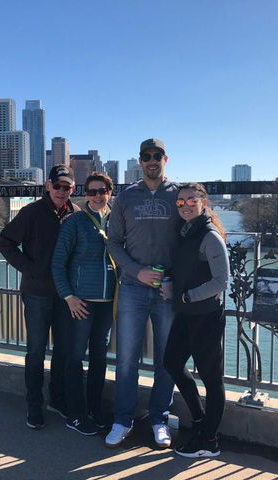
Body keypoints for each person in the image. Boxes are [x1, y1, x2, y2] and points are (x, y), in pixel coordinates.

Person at [105, 138, 181, 448]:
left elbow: (192, 237)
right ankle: (123, 419)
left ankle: (159, 419)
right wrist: (137, 271)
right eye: (146, 156)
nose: (152, 160)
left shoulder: (179, 195)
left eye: (157, 155)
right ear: (140, 161)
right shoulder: (125, 197)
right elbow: (113, 242)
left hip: (167, 289)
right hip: (133, 287)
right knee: (126, 359)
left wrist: (176, 279)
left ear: (166, 159)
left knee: (167, 359)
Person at [0, 164, 79, 429]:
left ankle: (58, 399)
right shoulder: (31, 212)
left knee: (64, 351)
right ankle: (34, 404)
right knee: (36, 351)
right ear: (48, 186)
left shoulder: (77, 214)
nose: (62, 191)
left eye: (67, 187)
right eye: (57, 186)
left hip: (67, 296)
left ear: (73, 189)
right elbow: (5, 242)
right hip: (37, 294)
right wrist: (30, 269)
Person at [162, 182, 230, 458]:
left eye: (192, 200)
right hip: (186, 313)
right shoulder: (185, 231)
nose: (186, 205)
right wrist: (171, 285)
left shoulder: (210, 236)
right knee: (172, 362)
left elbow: (221, 281)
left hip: (206, 316)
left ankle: (209, 441)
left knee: (212, 378)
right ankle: (200, 419)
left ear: (203, 202)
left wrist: (189, 296)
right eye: (180, 201)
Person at [51, 172, 116, 436]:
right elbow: (57, 263)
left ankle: (95, 409)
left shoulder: (118, 221)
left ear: (110, 192)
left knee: (100, 358)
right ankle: (76, 414)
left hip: (108, 302)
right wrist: (68, 296)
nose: (97, 196)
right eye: (92, 192)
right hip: (80, 302)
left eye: (102, 191)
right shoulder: (74, 222)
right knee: (74, 357)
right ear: (85, 194)